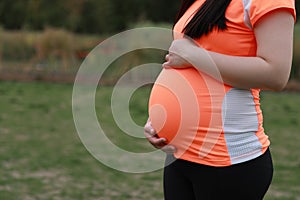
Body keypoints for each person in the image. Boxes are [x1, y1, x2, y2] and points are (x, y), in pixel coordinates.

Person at [144, 0, 296, 199]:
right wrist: (159, 118)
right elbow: (180, 61)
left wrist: (195, 56)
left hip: (227, 160)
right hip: (179, 156)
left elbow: (276, 75)